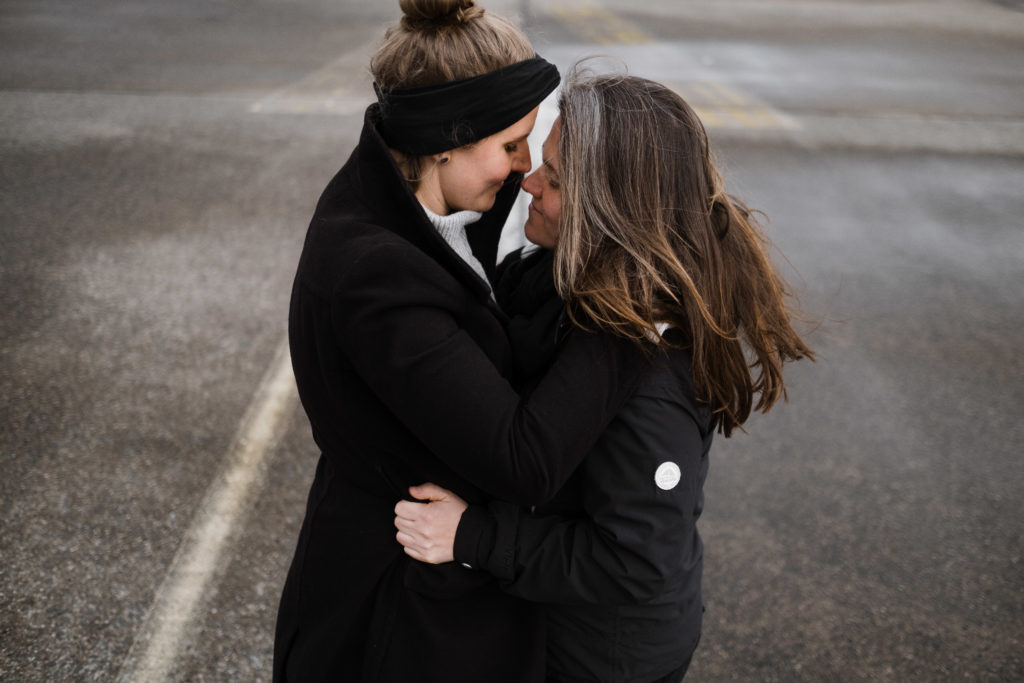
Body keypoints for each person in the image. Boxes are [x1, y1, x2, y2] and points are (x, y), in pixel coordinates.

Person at [273, 3, 661, 682]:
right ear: (446, 137)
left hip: (441, 590)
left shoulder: (422, 196)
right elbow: (523, 458)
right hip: (395, 607)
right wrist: (635, 307)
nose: (521, 171)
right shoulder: (376, 274)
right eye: (512, 145)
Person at [394, 71, 814, 683]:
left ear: (612, 210)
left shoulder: (648, 369)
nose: (528, 183)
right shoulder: (576, 283)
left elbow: (635, 558)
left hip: (606, 658)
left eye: (556, 179)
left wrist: (474, 538)